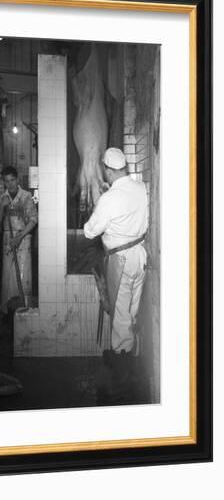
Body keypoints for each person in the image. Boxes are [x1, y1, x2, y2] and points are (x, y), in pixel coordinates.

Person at [83, 147, 148, 360]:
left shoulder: (109, 198)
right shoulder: (140, 188)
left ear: (108, 171)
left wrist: (101, 202)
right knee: (133, 311)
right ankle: (134, 355)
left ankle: (121, 363)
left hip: (120, 260)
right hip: (140, 255)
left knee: (120, 314)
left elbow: (90, 231)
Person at [0, 166, 38, 314]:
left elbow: (33, 220)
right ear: (4, 182)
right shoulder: (2, 198)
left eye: (12, 180)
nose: (10, 184)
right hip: (7, 239)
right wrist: (1, 207)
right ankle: (7, 309)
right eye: (7, 181)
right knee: (8, 274)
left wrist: (20, 236)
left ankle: (23, 308)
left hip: (23, 238)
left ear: (17, 179)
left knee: (24, 274)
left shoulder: (26, 196)